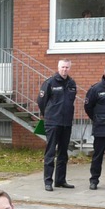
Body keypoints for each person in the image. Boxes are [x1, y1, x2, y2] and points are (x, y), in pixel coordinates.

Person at [37, 59, 77, 191]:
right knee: (50, 152)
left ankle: (60, 180)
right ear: (58, 68)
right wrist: (48, 115)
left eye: (67, 67)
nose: (65, 69)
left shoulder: (71, 83)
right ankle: (48, 181)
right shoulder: (50, 82)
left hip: (66, 123)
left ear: (69, 68)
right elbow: (41, 101)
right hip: (53, 122)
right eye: (63, 67)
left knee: (63, 153)